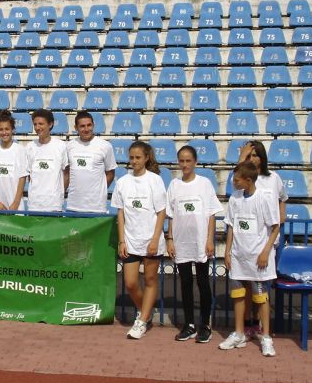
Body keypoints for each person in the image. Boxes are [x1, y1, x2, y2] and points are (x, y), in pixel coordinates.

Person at [219, 162, 280, 357]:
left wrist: (265, 252)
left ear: (248, 180)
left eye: (237, 180)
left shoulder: (263, 199)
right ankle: (239, 333)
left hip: (257, 257)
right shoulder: (235, 198)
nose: (234, 183)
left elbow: (275, 226)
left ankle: (266, 337)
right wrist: (227, 251)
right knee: (238, 295)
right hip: (239, 256)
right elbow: (231, 226)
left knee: (260, 297)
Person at [166, 145, 223, 343]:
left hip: (200, 242)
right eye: (181, 161)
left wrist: (209, 239)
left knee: (203, 282)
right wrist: (170, 239)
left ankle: (205, 325)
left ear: (195, 162)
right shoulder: (174, 185)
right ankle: (189, 324)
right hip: (181, 241)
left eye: (188, 160)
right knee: (185, 283)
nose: (185, 164)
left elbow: (211, 214)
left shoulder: (204, 184)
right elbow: (171, 215)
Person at [111, 141, 167, 340]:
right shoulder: (123, 182)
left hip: (151, 240)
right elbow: (120, 213)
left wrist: (155, 239)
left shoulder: (155, 180)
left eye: (138, 157)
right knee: (131, 283)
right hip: (131, 240)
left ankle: (142, 320)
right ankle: (146, 311)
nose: (134, 161)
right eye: (131, 157)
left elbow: (161, 212)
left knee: (150, 280)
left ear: (146, 158)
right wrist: (122, 241)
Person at [237, 140, 288, 339]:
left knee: (261, 284)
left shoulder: (273, 178)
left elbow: (282, 197)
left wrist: (281, 215)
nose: (252, 159)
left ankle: (260, 324)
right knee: (247, 284)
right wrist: (242, 157)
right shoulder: (244, 179)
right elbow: (235, 185)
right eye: (249, 156)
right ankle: (248, 323)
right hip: (248, 239)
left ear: (262, 157)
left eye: (255, 155)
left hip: (268, 240)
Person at [66, 111, 116, 214]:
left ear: (93, 125)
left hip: (96, 207)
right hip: (73, 206)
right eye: (82, 126)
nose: (86, 129)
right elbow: (66, 173)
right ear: (76, 128)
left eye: (89, 125)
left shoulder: (105, 146)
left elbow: (110, 173)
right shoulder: (69, 146)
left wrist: (98, 191)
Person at [26, 109, 69, 213]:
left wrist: (59, 195)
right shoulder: (29, 147)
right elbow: (29, 175)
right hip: (34, 205)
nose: (37, 127)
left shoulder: (61, 146)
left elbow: (66, 174)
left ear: (50, 124)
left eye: (41, 124)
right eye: (35, 124)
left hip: (54, 205)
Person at [0, 110, 28, 211]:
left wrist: (16, 202)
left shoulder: (20, 150)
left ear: (13, 130)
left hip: (15, 206)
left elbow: (22, 177)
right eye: (1, 129)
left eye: (7, 129)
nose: (4, 133)